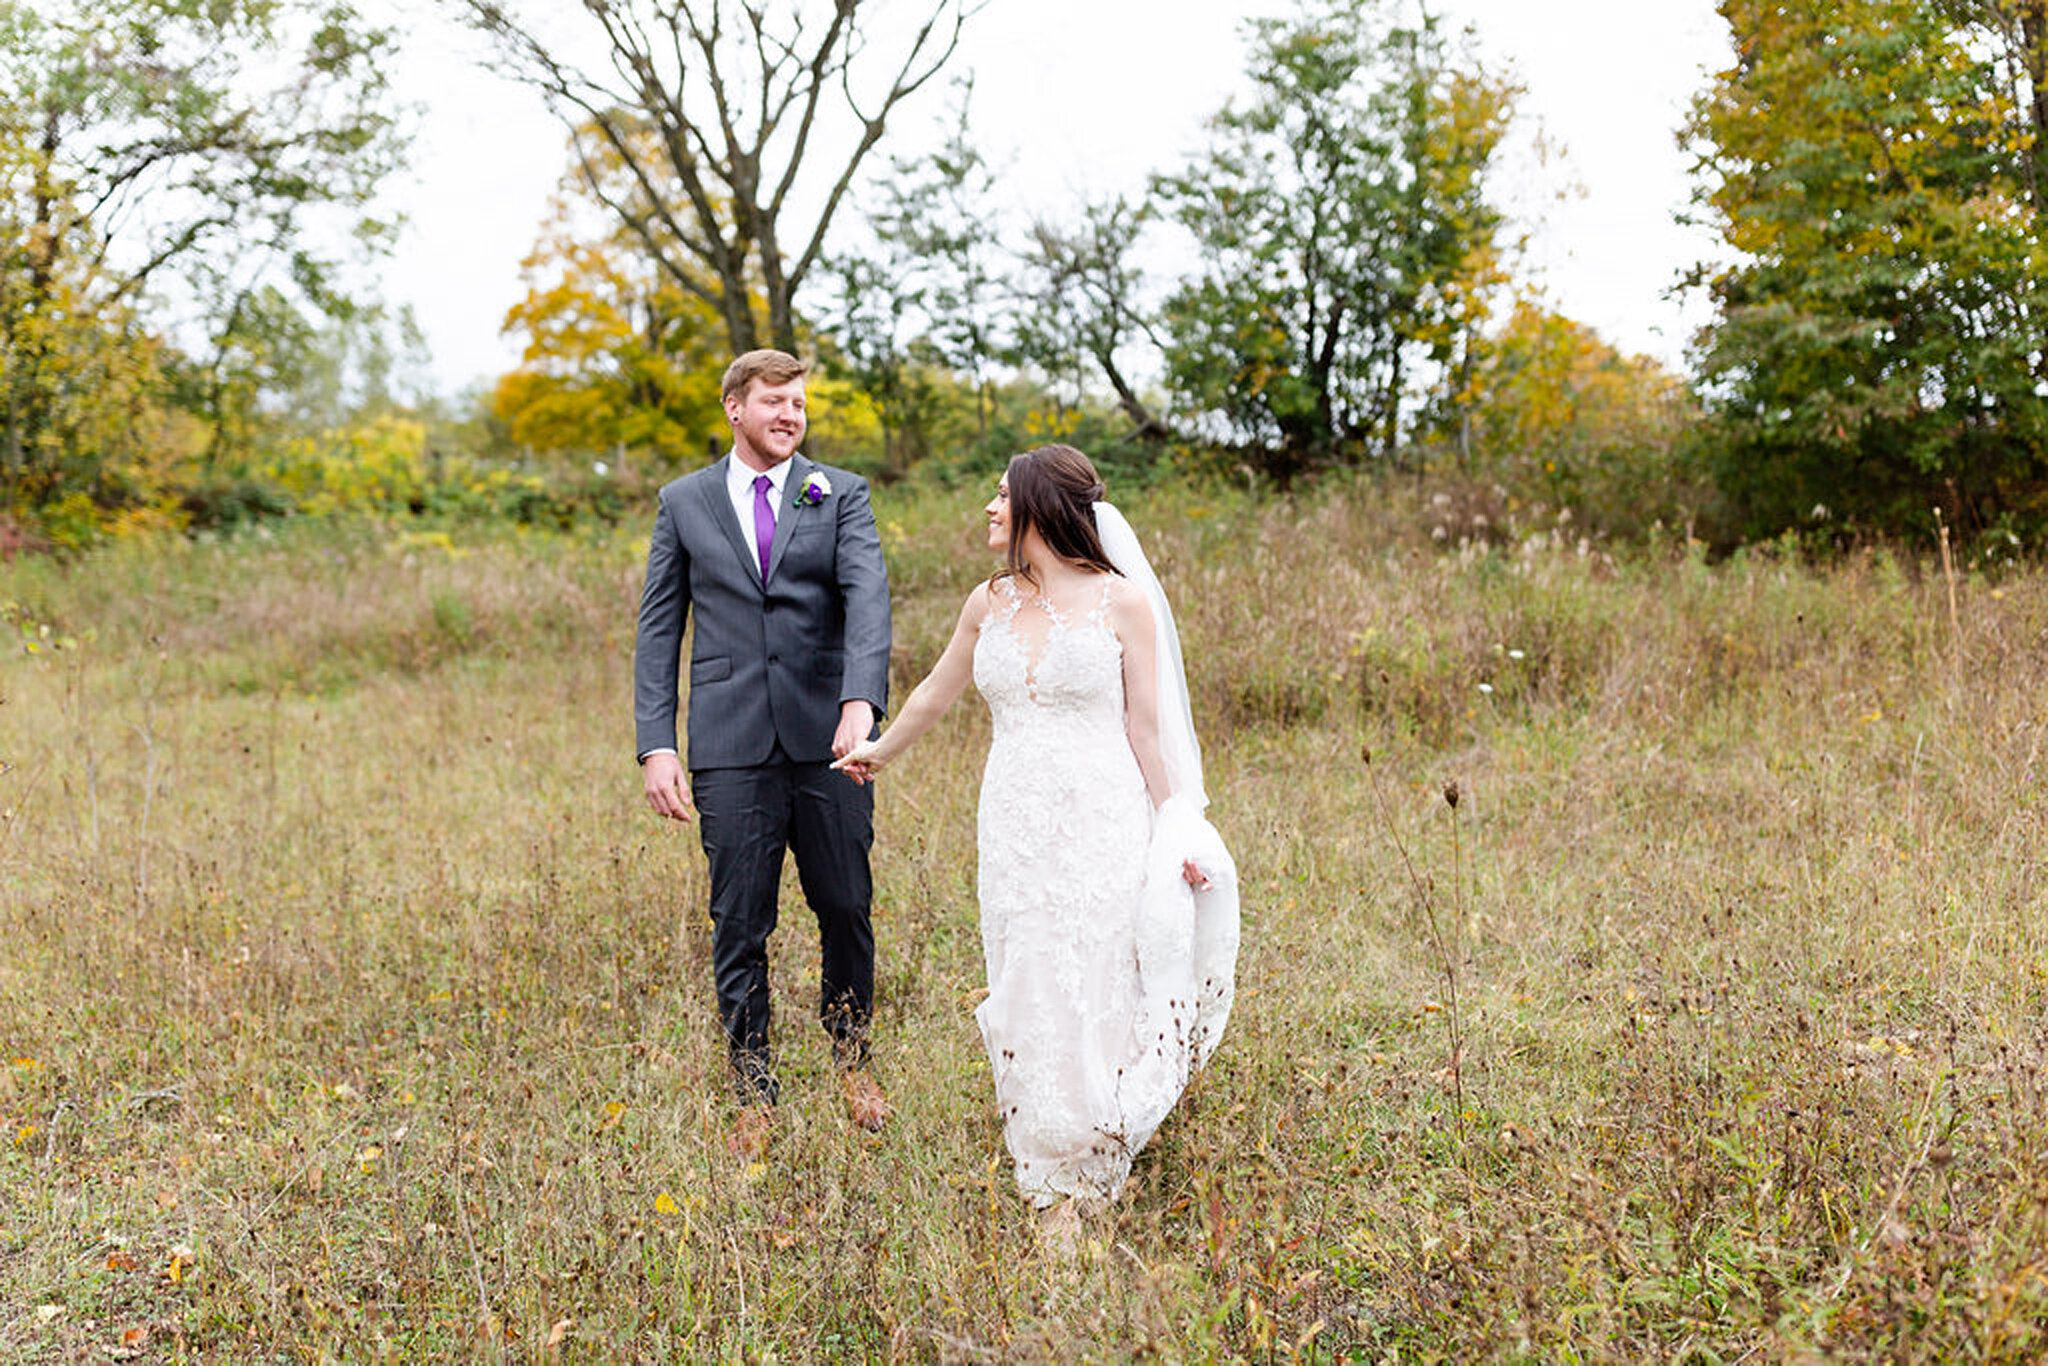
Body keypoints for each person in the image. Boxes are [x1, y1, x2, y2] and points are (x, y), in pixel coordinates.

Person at [834, 444, 1237, 1233]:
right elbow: (936, 689)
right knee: (1026, 970)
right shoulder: (987, 602)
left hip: (1102, 814)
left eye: (1001, 494)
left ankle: (1087, 1157)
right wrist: (881, 750)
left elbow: (1146, 730)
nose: (989, 508)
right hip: (1014, 818)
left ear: (1041, 508)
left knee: (1094, 970)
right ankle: (1046, 1134)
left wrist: (1176, 826)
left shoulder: (1123, 604)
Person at [633, 349, 893, 1156]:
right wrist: (655, 745)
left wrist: (860, 703)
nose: (790, 416)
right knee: (739, 919)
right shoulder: (683, 503)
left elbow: (868, 600)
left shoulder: (840, 493)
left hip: (830, 741)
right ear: (734, 409)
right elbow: (658, 627)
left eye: (799, 405)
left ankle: (853, 1062)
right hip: (730, 742)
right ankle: (754, 1090)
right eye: (774, 402)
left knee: (845, 903)